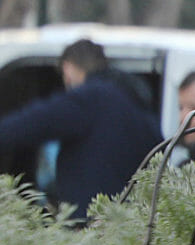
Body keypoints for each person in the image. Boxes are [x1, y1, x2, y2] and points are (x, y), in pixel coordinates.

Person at [0, 38, 161, 222]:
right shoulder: (136, 100)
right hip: (132, 223)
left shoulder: (90, 98)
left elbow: (28, 125)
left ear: (67, 68)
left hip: (91, 222)